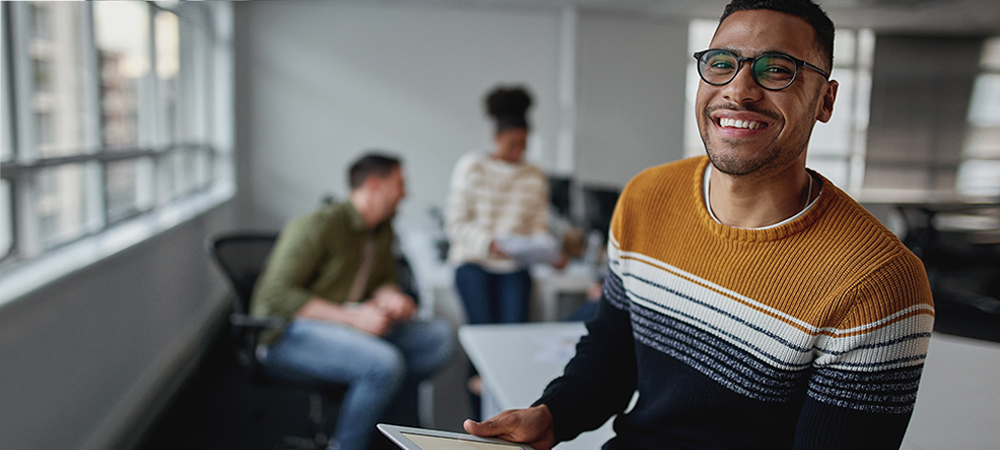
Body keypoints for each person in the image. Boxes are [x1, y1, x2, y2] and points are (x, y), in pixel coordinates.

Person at [464, 1, 935, 449]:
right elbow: (612, 348)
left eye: (776, 69)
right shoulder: (646, 197)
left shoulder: (879, 283)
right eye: (721, 62)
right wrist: (553, 414)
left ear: (825, 100)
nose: (739, 89)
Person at [251, 152, 454, 450]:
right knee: (383, 364)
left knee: (439, 337)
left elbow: (383, 280)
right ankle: (347, 444)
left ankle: (393, 424)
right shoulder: (318, 224)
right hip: (287, 332)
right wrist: (354, 319)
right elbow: (274, 295)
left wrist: (391, 297)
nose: (405, 194)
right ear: (374, 185)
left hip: (348, 325)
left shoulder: (382, 229)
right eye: (399, 184)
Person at [445, 85, 564, 418]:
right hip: (475, 265)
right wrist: (490, 243)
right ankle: (477, 425)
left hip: (515, 268)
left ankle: (509, 423)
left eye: (523, 145)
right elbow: (456, 224)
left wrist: (548, 252)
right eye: (512, 144)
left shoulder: (533, 175)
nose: (517, 151)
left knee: (513, 348)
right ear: (496, 138)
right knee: (481, 345)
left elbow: (538, 228)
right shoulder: (472, 166)